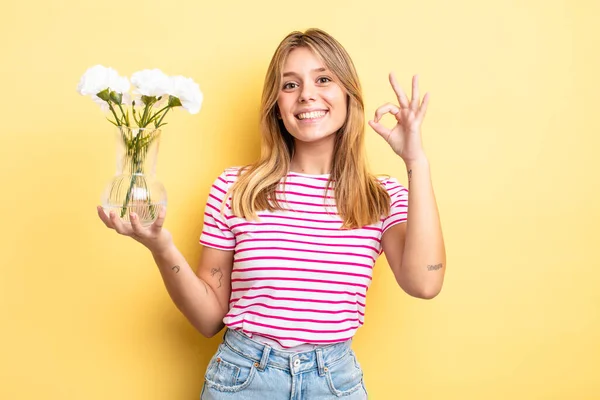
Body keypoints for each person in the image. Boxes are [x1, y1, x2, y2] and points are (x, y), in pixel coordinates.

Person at [97, 28, 445, 400]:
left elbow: (424, 283)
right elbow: (208, 319)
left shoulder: (379, 197)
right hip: (243, 380)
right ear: (276, 106)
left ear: (348, 94)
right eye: (290, 85)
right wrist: (161, 248)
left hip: (335, 383)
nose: (307, 94)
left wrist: (415, 160)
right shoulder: (236, 189)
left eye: (323, 79)